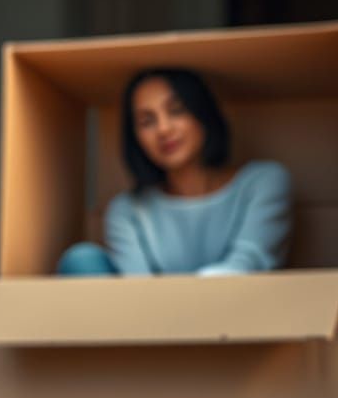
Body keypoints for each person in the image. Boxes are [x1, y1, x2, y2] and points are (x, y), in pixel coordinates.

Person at [58, 68, 291, 276]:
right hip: (153, 320)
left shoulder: (263, 182)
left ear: (202, 113)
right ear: (136, 138)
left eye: (176, 110)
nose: (164, 129)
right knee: (82, 260)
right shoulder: (128, 210)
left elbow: (247, 265)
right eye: (147, 121)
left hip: (239, 315)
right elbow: (137, 298)